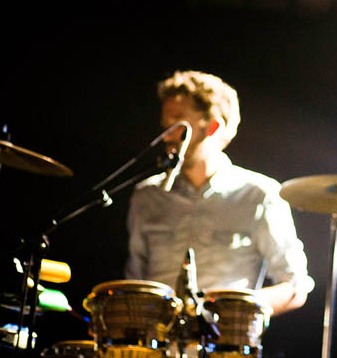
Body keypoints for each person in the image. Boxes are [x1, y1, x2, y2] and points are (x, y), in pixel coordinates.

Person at [125, 70, 314, 315]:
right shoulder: (147, 195)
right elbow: (134, 282)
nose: (167, 135)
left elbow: (295, 285)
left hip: (224, 347)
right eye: (165, 125)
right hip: (155, 347)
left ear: (212, 127)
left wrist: (236, 310)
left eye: (178, 123)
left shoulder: (259, 195)